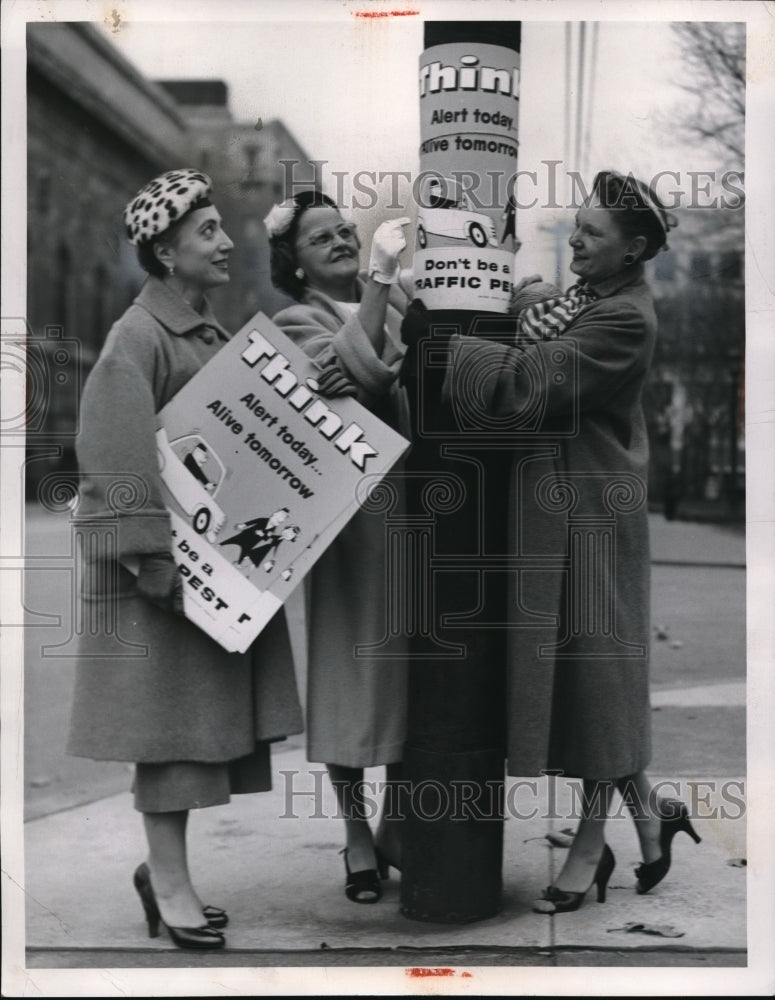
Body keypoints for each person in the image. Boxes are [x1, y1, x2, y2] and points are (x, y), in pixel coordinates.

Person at [402, 170, 700, 915]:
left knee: (597, 685)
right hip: (559, 512)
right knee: (585, 683)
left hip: (593, 516)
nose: (574, 240)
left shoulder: (624, 320)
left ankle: (587, 851)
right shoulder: (584, 300)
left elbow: (527, 385)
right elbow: (531, 322)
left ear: (633, 249)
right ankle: (650, 818)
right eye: (575, 226)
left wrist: (451, 337)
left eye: (591, 234)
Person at [66, 169, 303, 948]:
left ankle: (164, 877)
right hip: (161, 580)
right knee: (166, 739)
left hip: (205, 573)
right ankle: (167, 884)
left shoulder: (201, 330)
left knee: (192, 738)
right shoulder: (136, 338)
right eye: (206, 232)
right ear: (165, 253)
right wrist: (155, 565)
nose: (227, 240)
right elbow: (112, 455)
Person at [265, 190, 411, 903]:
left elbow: (360, 372)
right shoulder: (295, 320)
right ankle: (355, 837)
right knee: (351, 682)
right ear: (292, 264)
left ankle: (391, 830)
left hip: (421, 519)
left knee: (417, 684)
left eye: (344, 229)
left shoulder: (405, 301)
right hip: (351, 529)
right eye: (319, 236)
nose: (341, 240)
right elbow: (367, 376)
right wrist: (380, 290)